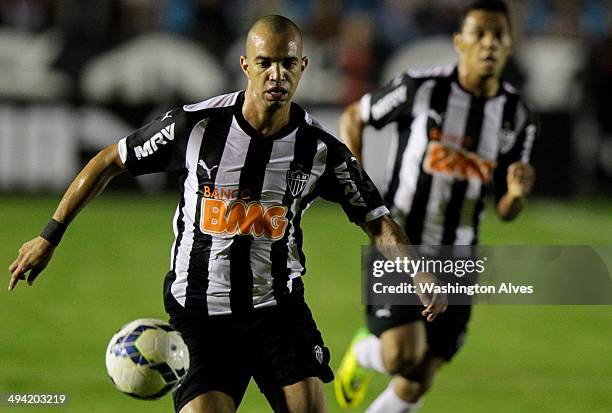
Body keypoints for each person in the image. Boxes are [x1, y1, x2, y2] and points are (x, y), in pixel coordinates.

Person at [8, 15, 447, 413]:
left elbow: (376, 218)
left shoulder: (321, 151)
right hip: (200, 315)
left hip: (278, 312)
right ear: (245, 65)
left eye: (287, 64)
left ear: (303, 67)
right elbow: (109, 160)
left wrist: (416, 273)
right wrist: (50, 234)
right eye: (265, 62)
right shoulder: (196, 126)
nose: (276, 74)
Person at [334, 1, 537, 412]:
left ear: (510, 45)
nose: (489, 44)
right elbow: (354, 117)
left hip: (459, 255)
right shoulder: (421, 89)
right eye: (478, 34)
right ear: (459, 41)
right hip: (402, 240)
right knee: (401, 356)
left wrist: (515, 196)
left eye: (498, 35)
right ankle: (366, 351)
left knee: (420, 375)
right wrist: (360, 185)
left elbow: (505, 210)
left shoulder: (517, 116)